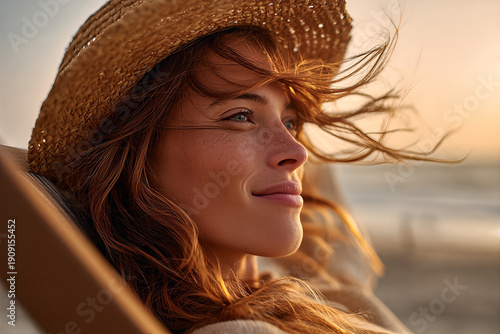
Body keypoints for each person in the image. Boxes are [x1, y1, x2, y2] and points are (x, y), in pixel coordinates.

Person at [28, 0, 421, 333]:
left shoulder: (309, 284)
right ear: (137, 157)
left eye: (291, 122)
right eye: (239, 116)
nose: (297, 153)